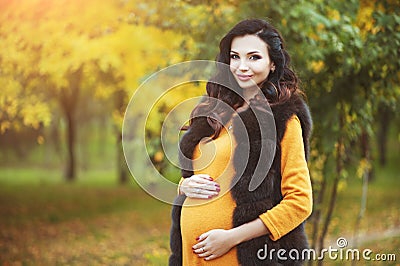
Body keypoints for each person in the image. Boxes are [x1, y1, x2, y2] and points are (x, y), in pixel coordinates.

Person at [169, 18, 313, 265]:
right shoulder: (214, 111)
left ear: (272, 65)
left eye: (254, 57)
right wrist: (184, 186)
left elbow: (300, 202)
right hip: (192, 257)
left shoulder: (283, 119)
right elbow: (206, 174)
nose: (241, 66)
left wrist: (232, 238)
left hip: (240, 256)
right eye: (235, 57)